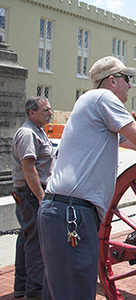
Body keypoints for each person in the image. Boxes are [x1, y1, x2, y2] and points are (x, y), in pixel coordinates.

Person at [37, 56, 136, 300]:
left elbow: (134, 143)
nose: (130, 85)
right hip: (72, 214)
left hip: (63, 211)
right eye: (127, 79)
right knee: (76, 293)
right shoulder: (103, 98)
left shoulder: (91, 104)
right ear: (112, 81)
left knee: (60, 292)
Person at [11, 96, 55, 299]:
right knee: (36, 242)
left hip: (29, 193)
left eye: (50, 109)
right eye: (45, 110)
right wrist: (41, 197)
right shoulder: (27, 134)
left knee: (27, 238)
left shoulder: (38, 132)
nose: (50, 112)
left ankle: (21, 286)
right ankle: (34, 291)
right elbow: (29, 169)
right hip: (31, 193)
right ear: (32, 113)